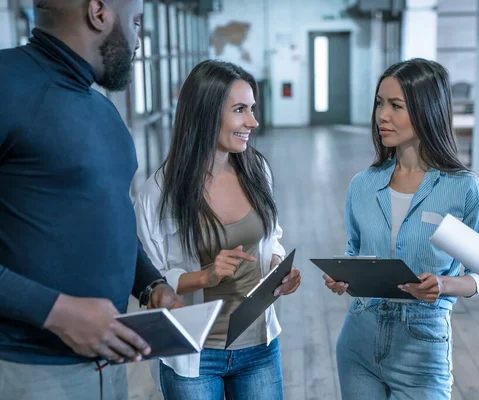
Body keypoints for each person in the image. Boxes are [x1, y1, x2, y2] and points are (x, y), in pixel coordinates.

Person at [0, 0, 184, 399]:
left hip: (108, 362)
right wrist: (57, 312)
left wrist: (149, 284)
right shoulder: (5, 83)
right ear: (98, 11)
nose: (137, 40)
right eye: (135, 23)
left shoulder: (101, 108)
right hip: (25, 369)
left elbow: (106, 217)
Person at [323, 58, 479, 400]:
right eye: (379, 103)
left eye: (396, 106)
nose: (382, 116)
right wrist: (341, 275)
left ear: (426, 110)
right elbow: (355, 252)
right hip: (359, 336)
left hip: (422, 346)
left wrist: (444, 284)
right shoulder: (362, 184)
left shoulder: (464, 189)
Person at [135, 59, 301, 400]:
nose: (252, 122)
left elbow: (273, 238)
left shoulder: (257, 171)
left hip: (258, 347)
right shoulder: (158, 193)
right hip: (195, 354)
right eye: (240, 110)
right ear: (206, 113)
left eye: (252, 109)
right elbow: (147, 277)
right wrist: (203, 277)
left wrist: (277, 268)